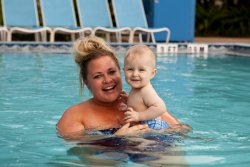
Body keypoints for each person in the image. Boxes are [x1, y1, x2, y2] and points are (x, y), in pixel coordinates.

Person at [57, 36, 190, 139]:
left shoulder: (139, 104)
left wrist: (155, 132)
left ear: (121, 72)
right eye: (98, 76)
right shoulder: (75, 115)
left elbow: (183, 131)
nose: (107, 80)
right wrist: (117, 139)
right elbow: (82, 155)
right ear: (86, 82)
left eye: (112, 72)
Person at [123, 45, 169, 130]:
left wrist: (139, 116)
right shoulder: (137, 88)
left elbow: (161, 108)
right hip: (146, 126)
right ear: (124, 70)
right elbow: (139, 104)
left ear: (152, 73)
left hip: (153, 126)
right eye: (130, 69)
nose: (135, 74)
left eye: (141, 70)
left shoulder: (146, 91)